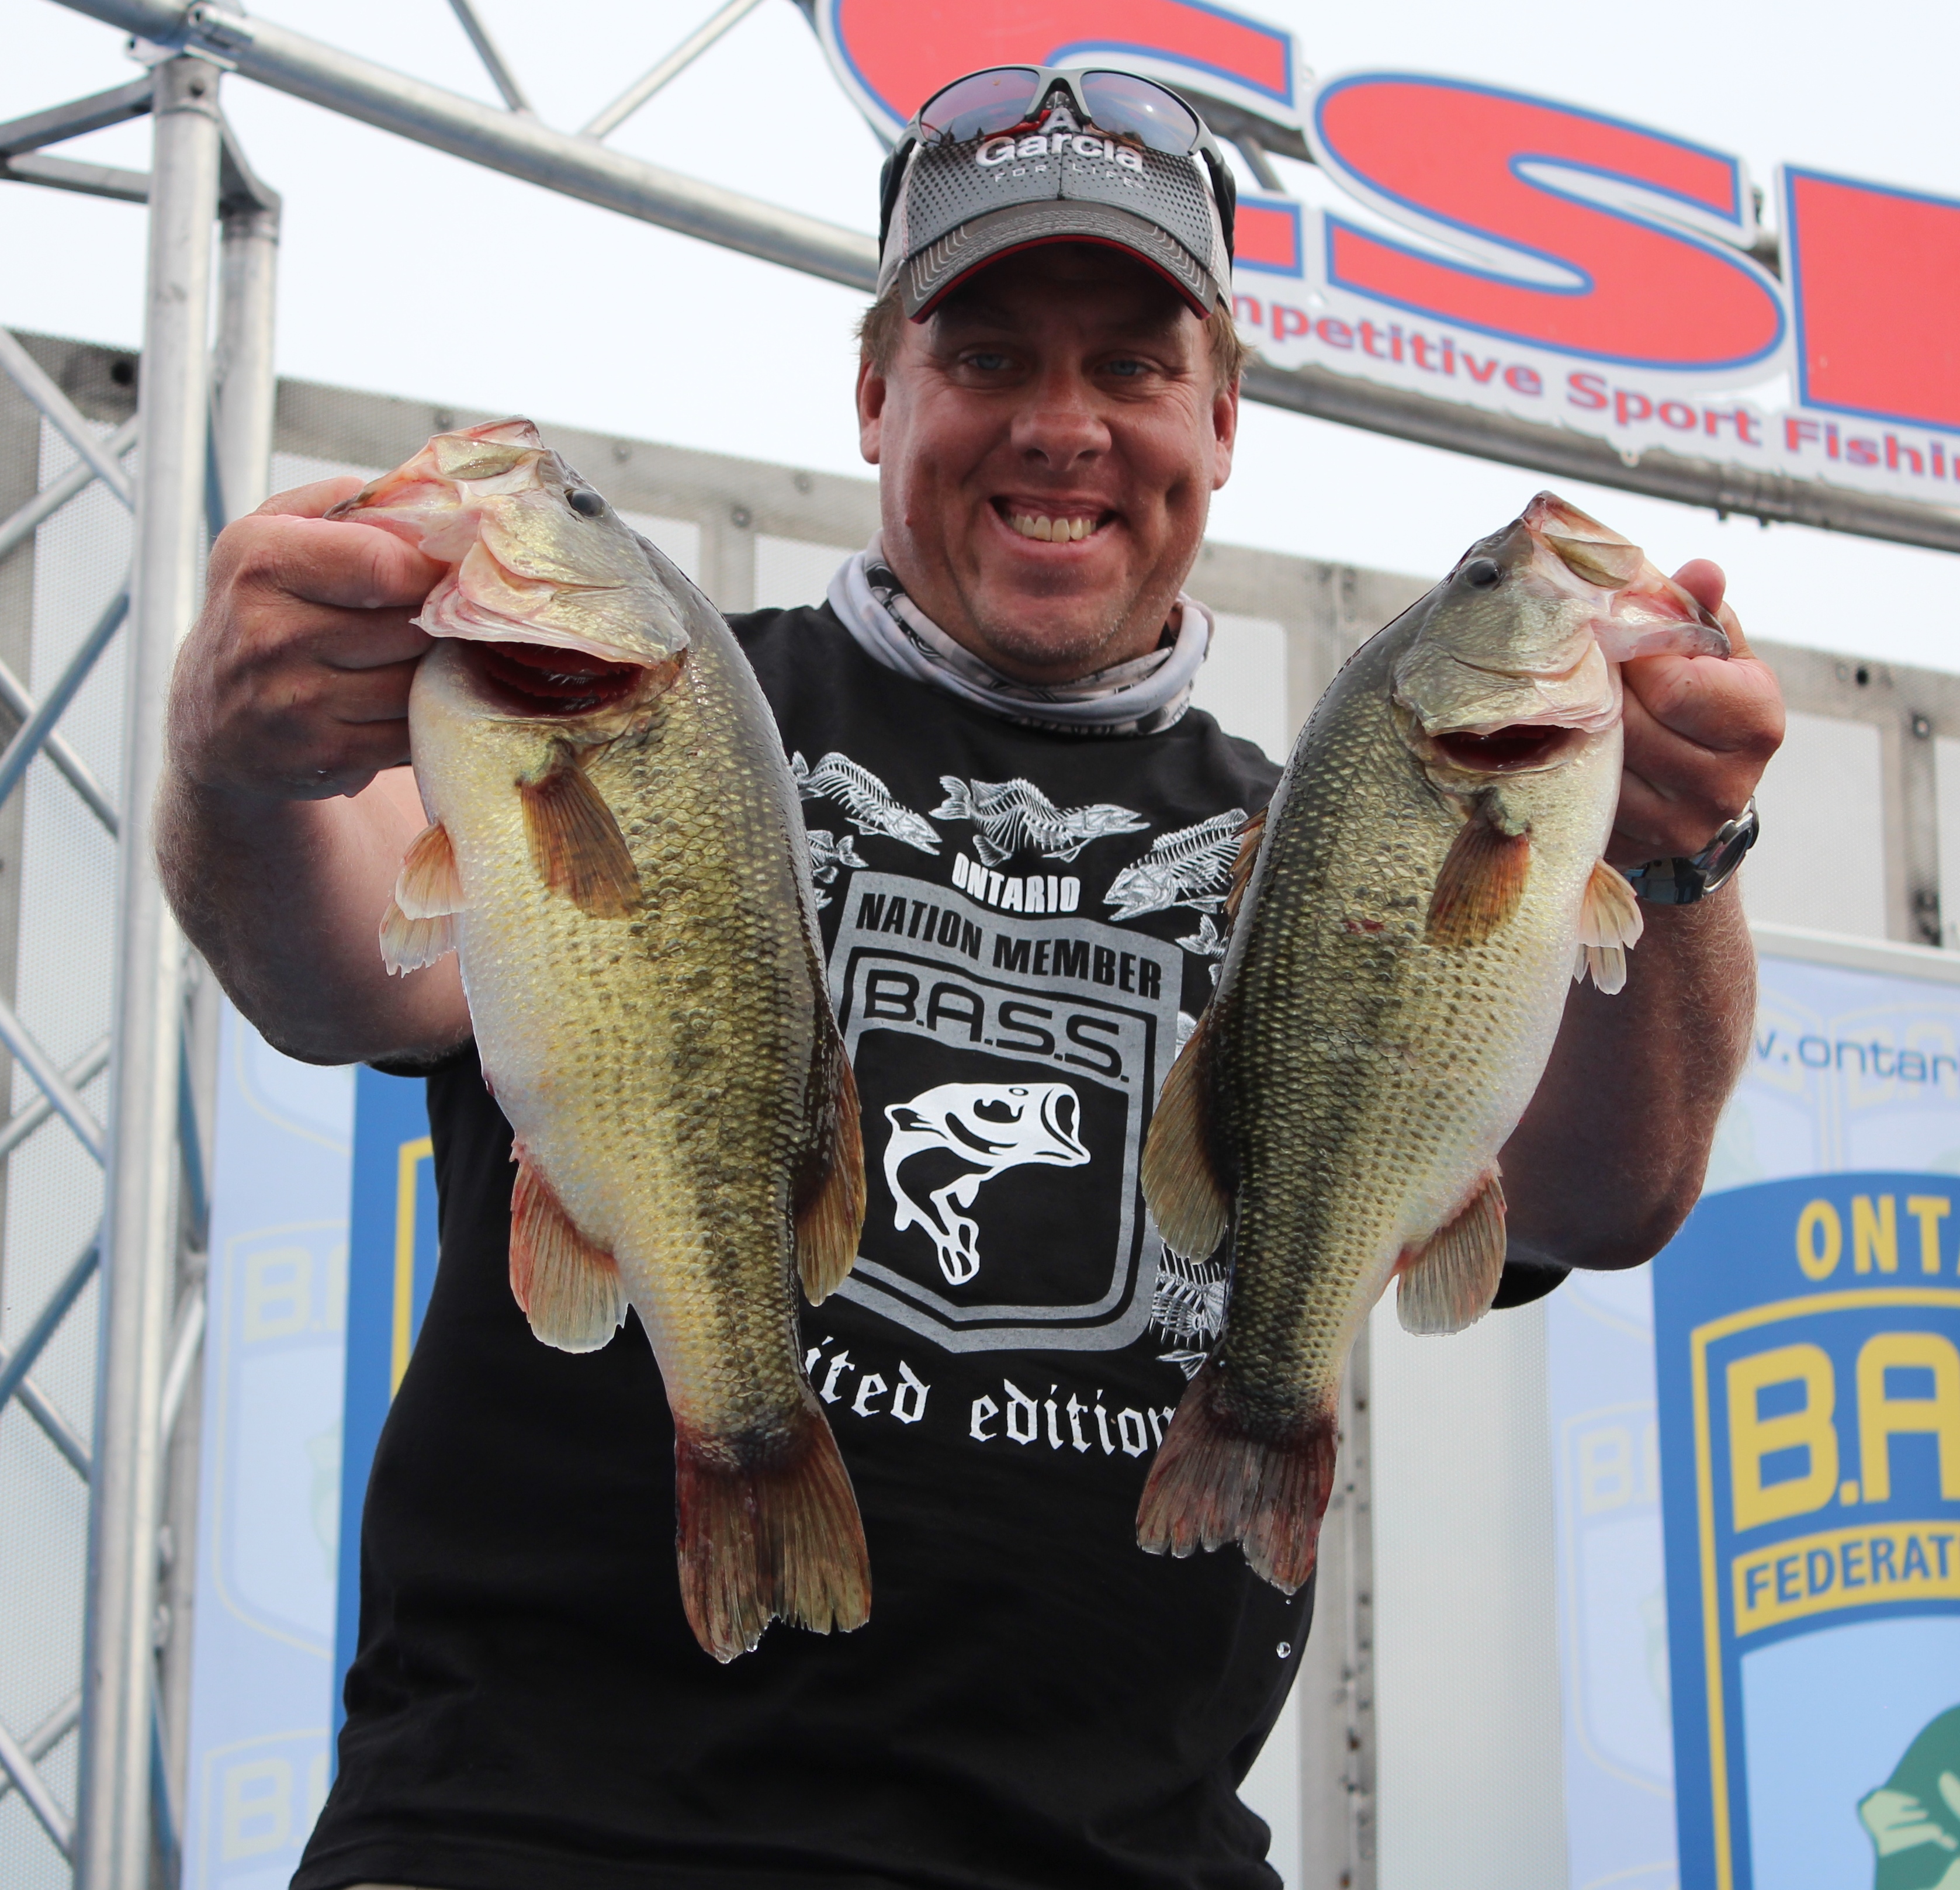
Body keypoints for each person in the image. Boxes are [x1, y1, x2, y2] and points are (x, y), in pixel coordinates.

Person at [159, 64, 1784, 1890]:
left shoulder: (1330, 829)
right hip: (521, 1836)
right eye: (989, 356)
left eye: (1132, 367)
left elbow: (1600, 1195)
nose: (1061, 427)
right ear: (877, 393)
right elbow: (329, 971)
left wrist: (1679, 854)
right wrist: (231, 759)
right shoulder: (665, 706)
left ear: (1220, 419)